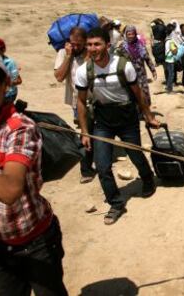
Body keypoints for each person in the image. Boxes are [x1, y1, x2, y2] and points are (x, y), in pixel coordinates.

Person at [0, 45, 67, 296]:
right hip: (0, 245)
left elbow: (10, 189)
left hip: (37, 243)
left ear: (4, 84)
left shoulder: (20, 128)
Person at [75, 28, 160, 225]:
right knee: (103, 165)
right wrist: (85, 131)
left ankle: (147, 179)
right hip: (103, 120)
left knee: (135, 153)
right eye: (89, 44)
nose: (93, 48)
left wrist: (148, 116)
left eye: (97, 44)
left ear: (107, 45)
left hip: (127, 117)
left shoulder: (123, 65)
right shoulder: (83, 71)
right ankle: (116, 203)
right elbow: (80, 102)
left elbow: (138, 94)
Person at [54, 27, 96, 184]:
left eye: (79, 44)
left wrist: (88, 56)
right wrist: (69, 56)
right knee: (86, 132)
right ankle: (85, 169)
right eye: (73, 44)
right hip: (77, 101)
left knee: (94, 131)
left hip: (97, 99)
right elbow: (59, 77)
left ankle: (94, 162)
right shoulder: (63, 53)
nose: (76, 47)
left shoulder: (90, 52)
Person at [120, 25, 157, 106]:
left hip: (141, 74)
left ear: (135, 34)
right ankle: (137, 112)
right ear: (126, 35)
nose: (131, 36)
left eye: (132, 34)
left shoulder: (141, 45)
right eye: (129, 34)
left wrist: (153, 70)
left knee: (144, 91)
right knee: (132, 93)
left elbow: (147, 59)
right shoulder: (123, 47)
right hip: (129, 75)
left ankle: (146, 111)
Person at [0, 38, 22, 103]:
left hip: (7, 95)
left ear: (3, 50)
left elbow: (18, 80)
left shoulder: (10, 63)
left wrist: (4, 83)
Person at [164, 23, 178, 93]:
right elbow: (174, 51)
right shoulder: (171, 41)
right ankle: (170, 89)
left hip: (167, 59)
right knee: (171, 75)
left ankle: (167, 87)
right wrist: (177, 49)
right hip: (170, 60)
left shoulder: (166, 39)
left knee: (168, 74)